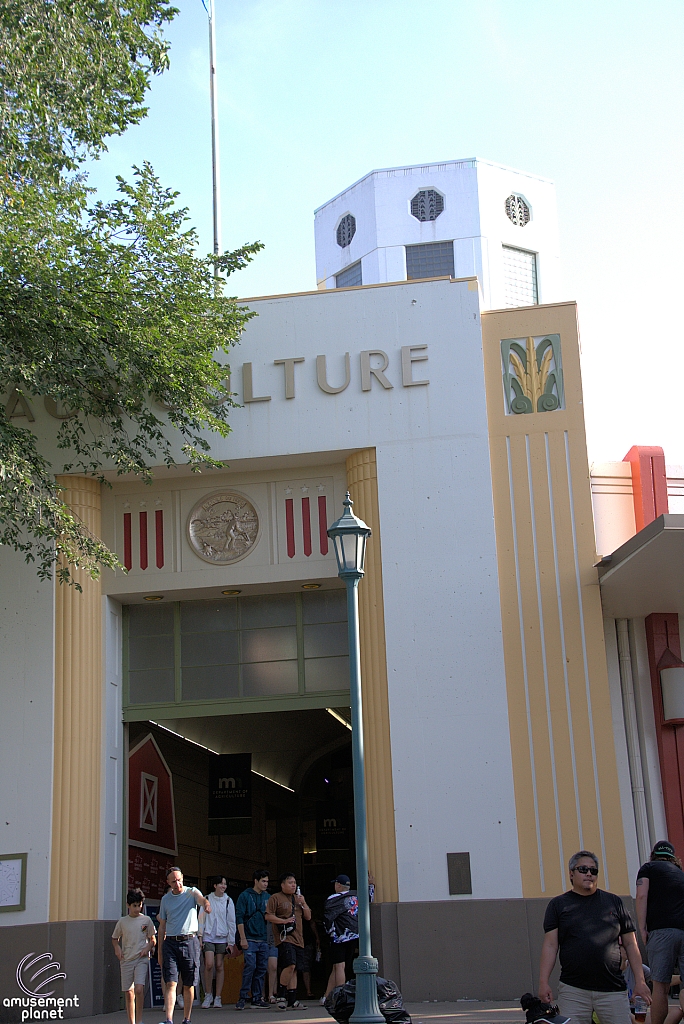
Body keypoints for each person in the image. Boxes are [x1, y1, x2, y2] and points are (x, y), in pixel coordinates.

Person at [538, 850, 651, 1024]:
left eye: (593, 870)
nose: (589, 873)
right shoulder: (558, 905)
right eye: (583, 869)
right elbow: (551, 946)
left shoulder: (614, 902)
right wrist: (543, 982)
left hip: (612, 989)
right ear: (571, 873)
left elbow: (630, 944)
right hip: (573, 989)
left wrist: (640, 982)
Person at [636, 840, 684, 1024]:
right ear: (673, 857)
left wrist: (642, 928)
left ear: (654, 854)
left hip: (661, 932)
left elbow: (641, 895)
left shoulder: (648, 868)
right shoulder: (680, 874)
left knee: (660, 987)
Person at [157, 867, 211, 1024]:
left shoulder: (191, 892)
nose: (177, 883)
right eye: (173, 881)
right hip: (171, 943)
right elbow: (162, 926)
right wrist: (160, 952)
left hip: (190, 942)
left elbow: (201, 899)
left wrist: (206, 905)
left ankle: (186, 1018)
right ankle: (168, 1019)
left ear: (182, 878)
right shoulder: (165, 900)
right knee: (171, 983)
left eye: (179, 880)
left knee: (188, 984)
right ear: (168, 882)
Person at [265, 872, 311, 1009]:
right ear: (282, 884)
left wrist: (303, 903)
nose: (293, 885)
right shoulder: (276, 898)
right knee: (289, 965)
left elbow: (308, 917)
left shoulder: (298, 899)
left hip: (299, 939)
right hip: (284, 938)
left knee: (295, 969)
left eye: (294, 883)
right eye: (290, 882)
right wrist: (283, 921)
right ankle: (281, 994)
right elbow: (268, 916)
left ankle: (292, 999)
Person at [112, 889, 157, 1024]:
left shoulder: (146, 920)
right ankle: (131, 1021)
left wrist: (147, 948)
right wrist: (117, 948)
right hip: (126, 959)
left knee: (139, 988)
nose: (137, 908)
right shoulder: (122, 922)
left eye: (139, 905)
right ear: (128, 905)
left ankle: (139, 1020)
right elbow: (115, 938)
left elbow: (152, 939)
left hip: (141, 959)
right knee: (129, 992)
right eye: (134, 906)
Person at [234, 869, 271, 1010]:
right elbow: (239, 917)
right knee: (250, 967)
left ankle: (257, 997)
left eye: (267, 881)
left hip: (263, 938)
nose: (266, 884)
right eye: (263, 881)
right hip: (249, 937)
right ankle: (243, 996)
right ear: (255, 881)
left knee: (261, 968)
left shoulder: (268, 896)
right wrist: (242, 938)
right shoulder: (245, 896)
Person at [199, 876, 237, 1008]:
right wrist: (200, 936)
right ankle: (208, 994)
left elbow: (231, 922)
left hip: (222, 937)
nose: (223, 886)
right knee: (209, 964)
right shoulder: (207, 899)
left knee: (219, 965)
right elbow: (201, 919)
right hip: (208, 935)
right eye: (221, 883)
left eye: (225, 884)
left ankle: (218, 997)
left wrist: (231, 942)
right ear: (215, 885)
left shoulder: (228, 901)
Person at [322, 875, 359, 1003]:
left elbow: (328, 917)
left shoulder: (334, 899)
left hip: (339, 936)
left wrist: (328, 932)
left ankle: (340, 997)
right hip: (354, 936)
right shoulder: (357, 896)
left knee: (339, 966)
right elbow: (370, 897)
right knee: (337, 967)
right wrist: (372, 885)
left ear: (338, 885)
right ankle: (326, 997)